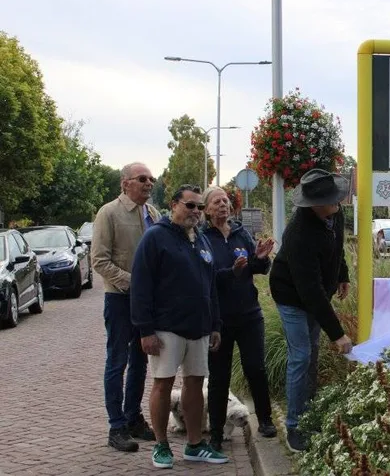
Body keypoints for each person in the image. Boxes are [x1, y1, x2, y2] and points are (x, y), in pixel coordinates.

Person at [130, 184, 227, 469]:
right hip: (166, 327)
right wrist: (145, 330)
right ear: (174, 205)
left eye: (200, 207)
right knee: (163, 384)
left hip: (199, 327)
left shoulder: (201, 239)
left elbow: (210, 286)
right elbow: (141, 286)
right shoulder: (155, 237)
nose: (196, 212)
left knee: (195, 383)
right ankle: (161, 445)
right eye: (190, 205)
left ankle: (194, 444)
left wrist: (215, 324)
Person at [269, 169, 354, 453]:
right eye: (331, 199)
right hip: (291, 297)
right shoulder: (299, 234)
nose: (338, 202)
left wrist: (342, 275)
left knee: (312, 354)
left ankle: (309, 413)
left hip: (315, 293)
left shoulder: (335, 214)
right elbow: (310, 292)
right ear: (315, 205)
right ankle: (294, 426)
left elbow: (337, 247)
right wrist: (338, 334)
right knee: (301, 356)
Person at [201, 186, 277, 451]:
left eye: (225, 200)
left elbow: (255, 268)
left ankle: (265, 420)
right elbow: (205, 277)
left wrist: (261, 259)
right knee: (219, 376)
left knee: (255, 368)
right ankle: (216, 431)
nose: (223, 204)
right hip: (219, 320)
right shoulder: (202, 239)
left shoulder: (240, 233)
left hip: (249, 314)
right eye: (216, 202)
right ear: (207, 210)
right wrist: (231, 272)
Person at [91, 162, 160, 452]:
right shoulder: (108, 213)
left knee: (141, 360)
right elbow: (99, 260)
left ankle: (133, 418)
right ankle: (116, 426)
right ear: (125, 183)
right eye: (142, 179)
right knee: (117, 361)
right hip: (120, 299)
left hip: (147, 302)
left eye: (151, 179)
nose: (148, 183)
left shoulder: (153, 213)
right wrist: (134, 284)